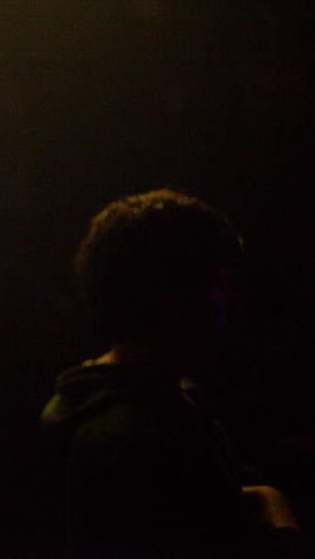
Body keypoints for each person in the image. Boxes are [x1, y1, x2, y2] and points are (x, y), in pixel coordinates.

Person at [41, 189, 301, 557]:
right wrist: (280, 519)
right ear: (172, 299)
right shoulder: (131, 439)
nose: (235, 306)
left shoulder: (166, 394)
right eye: (220, 285)